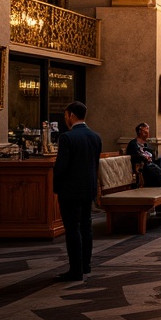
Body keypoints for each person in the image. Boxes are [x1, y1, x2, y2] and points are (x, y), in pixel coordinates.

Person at [52, 100, 102, 283]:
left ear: (71, 115)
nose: (65, 119)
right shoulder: (96, 137)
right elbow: (95, 165)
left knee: (72, 229)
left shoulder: (67, 138)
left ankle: (75, 270)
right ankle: (86, 265)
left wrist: (56, 187)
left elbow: (61, 167)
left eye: (66, 116)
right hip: (88, 188)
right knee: (86, 227)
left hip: (70, 190)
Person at [127, 122, 161, 186]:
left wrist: (151, 158)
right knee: (150, 166)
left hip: (151, 166)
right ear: (140, 131)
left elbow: (152, 157)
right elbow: (132, 157)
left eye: (148, 130)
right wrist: (143, 158)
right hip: (143, 167)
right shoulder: (133, 144)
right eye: (146, 130)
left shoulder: (146, 145)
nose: (148, 132)